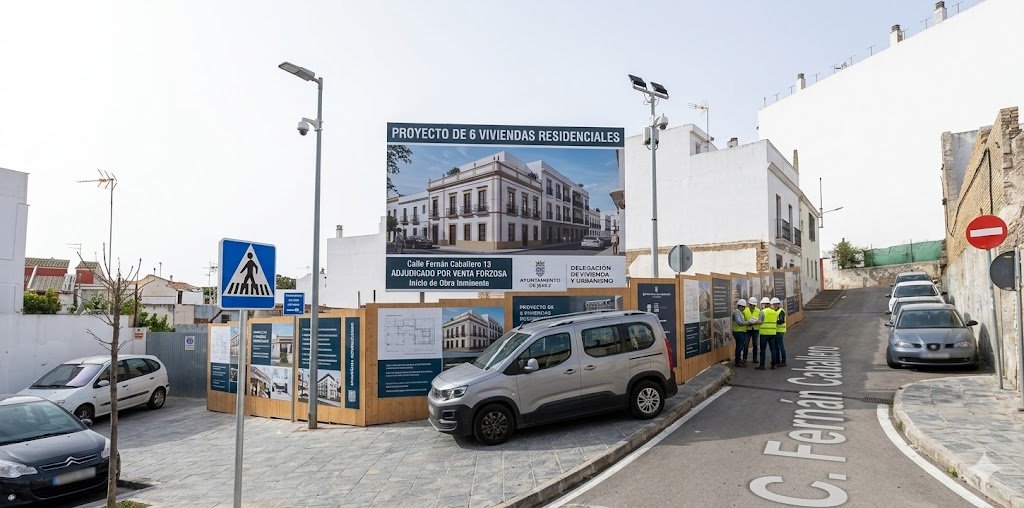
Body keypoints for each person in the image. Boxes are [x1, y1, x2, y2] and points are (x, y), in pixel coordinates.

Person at [756, 297, 778, 370]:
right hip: (773, 333)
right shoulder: (774, 312)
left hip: (764, 333)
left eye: (762, 304)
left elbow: (760, 322)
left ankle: (762, 366)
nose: (761, 305)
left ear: (764, 304)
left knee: (763, 350)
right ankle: (773, 365)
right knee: (773, 349)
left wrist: (755, 321)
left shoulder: (763, 312)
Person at [732, 299, 749, 368]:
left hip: (741, 332)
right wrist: (749, 322)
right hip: (738, 332)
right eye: (743, 306)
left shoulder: (740, 312)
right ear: (740, 306)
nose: (744, 308)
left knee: (741, 346)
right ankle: (737, 362)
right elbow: (739, 322)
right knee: (739, 347)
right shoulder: (736, 312)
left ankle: (739, 360)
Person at [771, 297, 788, 367]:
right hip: (775, 331)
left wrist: (773, 322)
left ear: (778, 304)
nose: (774, 306)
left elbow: (781, 321)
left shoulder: (781, 311)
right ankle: (777, 360)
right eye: (773, 304)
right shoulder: (774, 311)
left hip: (780, 331)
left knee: (780, 346)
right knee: (775, 346)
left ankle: (783, 361)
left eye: (776, 304)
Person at [745, 297, 761, 363]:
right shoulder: (745, 310)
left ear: (755, 305)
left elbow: (760, 320)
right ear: (749, 304)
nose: (752, 306)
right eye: (751, 305)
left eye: (753, 305)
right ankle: (744, 359)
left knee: (755, 344)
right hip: (747, 330)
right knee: (745, 344)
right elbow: (743, 320)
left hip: (755, 330)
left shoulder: (758, 311)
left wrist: (756, 321)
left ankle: (755, 358)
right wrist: (748, 322)